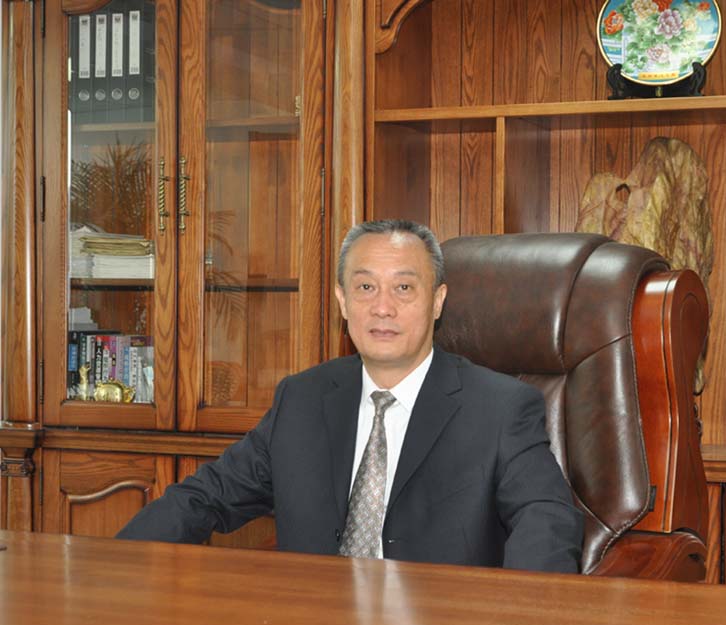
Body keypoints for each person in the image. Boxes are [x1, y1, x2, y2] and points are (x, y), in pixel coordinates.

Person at [117, 219, 583, 573]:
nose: (382, 307)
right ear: (343, 301)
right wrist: (114, 567)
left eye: (404, 287)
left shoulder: (499, 408)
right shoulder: (302, 398)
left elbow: (547, 519)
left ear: (438, 300)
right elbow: (207, 496)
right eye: (365, 287)